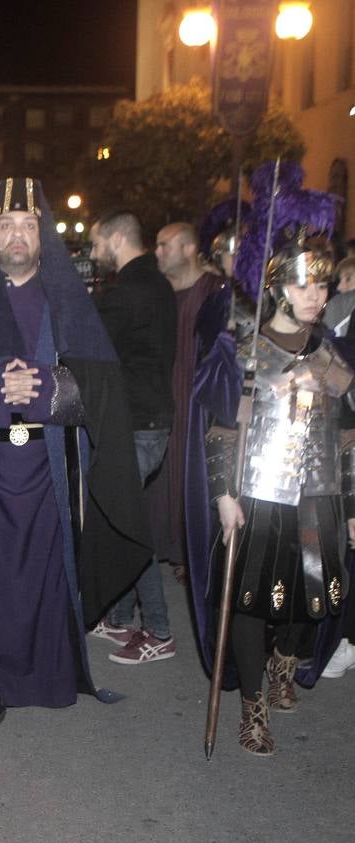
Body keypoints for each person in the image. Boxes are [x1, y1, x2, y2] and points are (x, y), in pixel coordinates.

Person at [0, 177, 150, 726]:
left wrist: (49, 389)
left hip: (53, 465)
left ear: (43, 235)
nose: (17, 235)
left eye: (28, 225)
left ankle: (50, 675)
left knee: (49, 569)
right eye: (6, 225)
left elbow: (100, 387)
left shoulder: (69, 301)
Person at [185, 164, 349, 754]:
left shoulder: (330, 350)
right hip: (257, 493)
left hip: (318, 496)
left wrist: (350, 502)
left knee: (313, 599)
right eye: (306, 286)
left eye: (324, 287)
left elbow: (346, 433)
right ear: (279, 286)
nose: (317, 296)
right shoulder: (242, 346)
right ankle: (252, 708)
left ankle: (286, 666)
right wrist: (224, 494)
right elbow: (220, 427)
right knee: (253, 601)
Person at [87, 209, 178, 664]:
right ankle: (122, 617)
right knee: (129, 513)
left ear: (118, 237)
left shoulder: (128, 292)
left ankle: (159, 629)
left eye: (97, 242)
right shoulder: (157, 283)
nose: (93, 251)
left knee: (129, 523)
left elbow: (92, 349)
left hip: (139, 422)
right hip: (152, 417)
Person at [147, 222, 231, 576]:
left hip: (198, 401)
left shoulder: (215, 292)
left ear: (187, 248)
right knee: (163, 477)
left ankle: (194, 551)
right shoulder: (157, 291)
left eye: (165, 245)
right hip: (163, 399)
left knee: (194, 474)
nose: (158, 252)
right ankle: (167, 547)